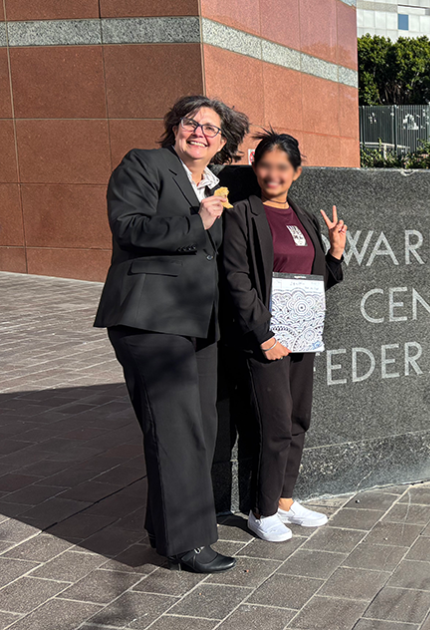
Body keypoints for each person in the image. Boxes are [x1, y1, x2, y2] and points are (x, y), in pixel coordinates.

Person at [94, 95, 250, 573]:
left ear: (222, 144)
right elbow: (128, 226)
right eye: (191, 122)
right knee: (177, 431)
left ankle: (165, 528)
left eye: (211, 128)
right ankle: (189, 543)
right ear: (175, 127)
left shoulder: (215, 184)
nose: (200, 132)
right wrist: (197, 220)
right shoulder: (146, 165)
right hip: (151, 318)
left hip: (198, 324)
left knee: (197, 429)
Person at [220, 131, 347, 542]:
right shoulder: (242, 215)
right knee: (273, 425)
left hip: (302, 336)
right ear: (255, 168)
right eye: (265, 166)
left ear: (296, 172)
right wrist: (264, 335)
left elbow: (315, 282)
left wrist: (335, 252)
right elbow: (236, 280)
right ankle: (262, 510)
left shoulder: (304, 217)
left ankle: (286, 501)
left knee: (297, 420)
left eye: (281, 168)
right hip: (265, 341)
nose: (272, 175)